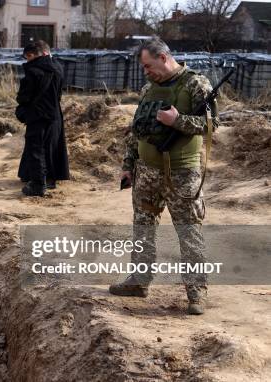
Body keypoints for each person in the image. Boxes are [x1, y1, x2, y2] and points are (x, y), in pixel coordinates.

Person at [109, 37, 219, 315]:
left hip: (182, 173)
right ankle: (139, 280)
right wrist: (128, 164)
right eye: (143, 67)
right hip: (146, 172)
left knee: (189, 231)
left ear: (163, 57)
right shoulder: (149, 89)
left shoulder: (196, 84)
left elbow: (211, 125)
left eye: (148, 66)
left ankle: (197, 293)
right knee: (143, 228)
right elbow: (137, 130)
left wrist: (177, 121)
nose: (146, 72)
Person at [15, 40, 69, 196]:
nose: (28, 60)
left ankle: (38, 185)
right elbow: (58, 93)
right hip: (54, 113)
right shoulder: (58, 67)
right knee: (52, 146)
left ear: (40, 53)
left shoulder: (33, 71)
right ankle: (49, 180)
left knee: (36, 149)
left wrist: (23, 110)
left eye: (30, 56)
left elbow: (24, 96)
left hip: (37, 115)